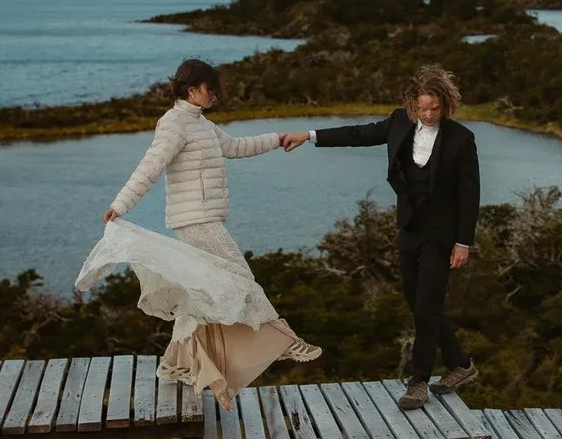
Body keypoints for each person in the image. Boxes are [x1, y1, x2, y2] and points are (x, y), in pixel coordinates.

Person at [75, 58, 319, 412]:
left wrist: (276, 139)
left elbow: (234, 147)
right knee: (240, 278)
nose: (215, 95)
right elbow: (150, 167)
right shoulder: (173, 124)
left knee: (199, 294)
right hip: (196, 221)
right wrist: (120, 205)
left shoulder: (200, 123)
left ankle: (174, 365)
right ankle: (284, 341)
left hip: (203, 218)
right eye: (210, 89)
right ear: (191, 90)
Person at [281, 64, 479, 410]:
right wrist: (309, 135)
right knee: (419, 305)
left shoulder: (462, 139)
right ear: (412, 106)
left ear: (446, 105)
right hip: (409, 229)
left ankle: (419, 381)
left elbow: (469, 194)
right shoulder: (399, 123)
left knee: (427, 307)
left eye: (435, 108)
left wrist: (463, 242)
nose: (429, 115)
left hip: (442, 236)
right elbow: (358, 134)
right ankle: (461, 365)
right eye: (423, 108)